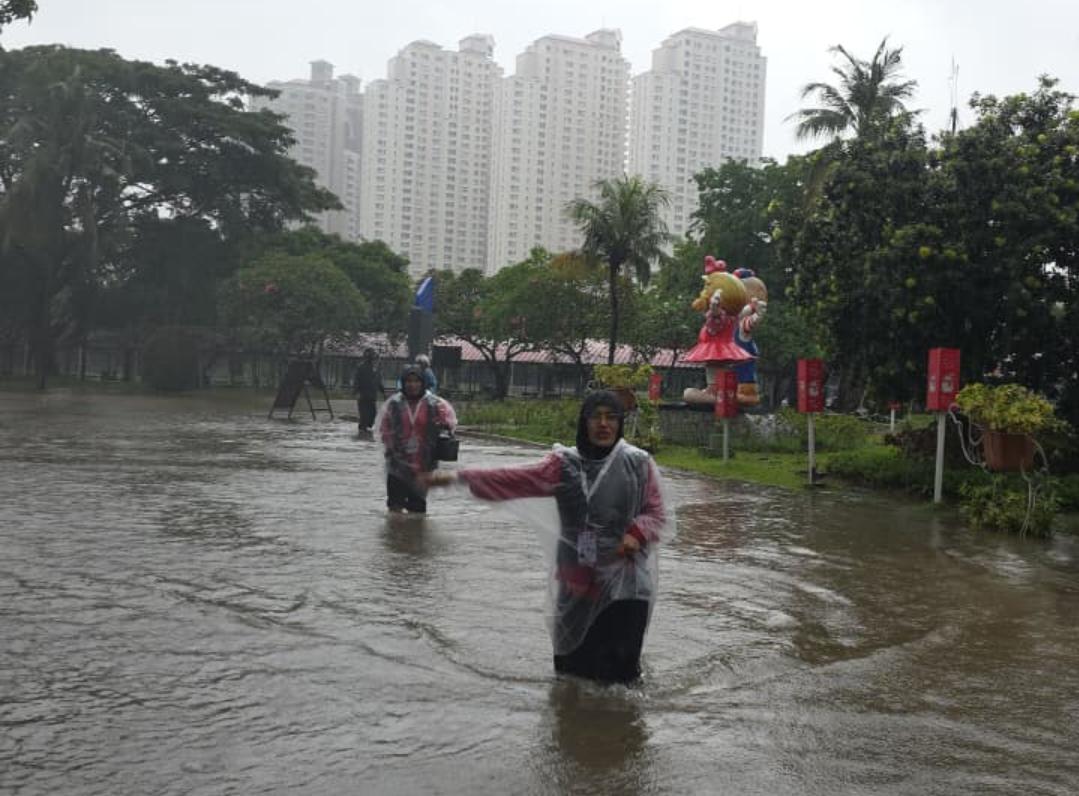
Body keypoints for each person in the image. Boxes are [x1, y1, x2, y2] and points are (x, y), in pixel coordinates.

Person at [424, 391, 673, 684]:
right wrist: (460, 478)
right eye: (596, 417)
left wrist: (636, 533)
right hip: (578, 582)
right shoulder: (564, 464)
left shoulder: (638, 463)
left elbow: (658, 513)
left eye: (611, 417)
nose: (603, 424)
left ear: (620, 423)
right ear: (584, 422)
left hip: (626, 586)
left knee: (621, 678)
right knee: (572, 673)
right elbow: (514, 479)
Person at [378, 363, 457, 515]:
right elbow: (384, 430)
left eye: (416, 381)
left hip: (423, 465)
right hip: (397, 464)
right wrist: (392, 446)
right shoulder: (394, 404)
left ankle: (414, 537)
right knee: (395, 509)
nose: (412, 385)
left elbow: (450, 424)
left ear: (423, 383)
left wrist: (443, 425)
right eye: (408, 381)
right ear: (403, 382)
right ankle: (396, 537)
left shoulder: (434, 404)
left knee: (417, 510)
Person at [353, 348, 386, 432]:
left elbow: (378, 381)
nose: (376, 360)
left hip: (372, 395)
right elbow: (356, 380)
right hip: (363, 395)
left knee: (373, 414)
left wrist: (383, 392)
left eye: (376, 359)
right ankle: (362, 430)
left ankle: (366, 428)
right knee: (364, 415)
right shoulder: (361, 367)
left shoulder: (377, 369)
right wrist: (356, 391)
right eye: (374, 358)